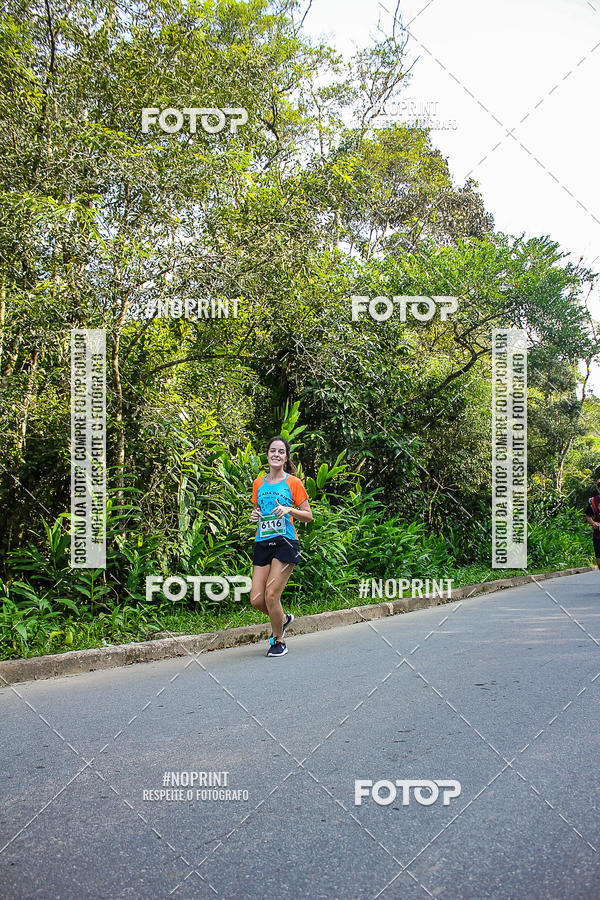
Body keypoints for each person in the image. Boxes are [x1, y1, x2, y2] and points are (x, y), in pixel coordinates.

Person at [249, 436, 313, 657]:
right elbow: (258, 510)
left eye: (281, 452)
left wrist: (289, 510)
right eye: (272, 451)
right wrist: (254, 515)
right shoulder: (259, 483)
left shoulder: (293, 482)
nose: (276, 455)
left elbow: (308, 516)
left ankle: (278, 640)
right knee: (257, 599)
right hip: (263, 542)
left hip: (285, 542)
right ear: (267, 455)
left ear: (286, 457)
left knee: (271, 594)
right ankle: (283, 619)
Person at [585, 478, 600, 569]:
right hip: (598, 533)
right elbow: (588, 516)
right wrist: (593, 523)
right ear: (598, 488)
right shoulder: (593, 501)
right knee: (599, 562)